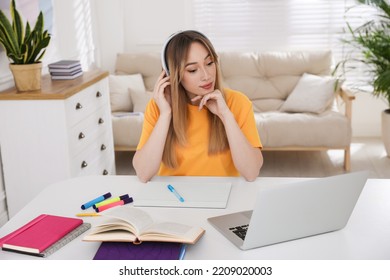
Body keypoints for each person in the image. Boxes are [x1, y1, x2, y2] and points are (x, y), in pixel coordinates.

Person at [133, 30, 263, 182]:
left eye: (209, 63)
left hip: (222, 195)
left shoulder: (238, 103)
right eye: (193, 70)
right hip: (175, 196)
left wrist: (225, 115)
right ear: (172, 75)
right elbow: (143, 173)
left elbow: (251, 172)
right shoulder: (158, 107)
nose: (206, 75)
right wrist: (165, 115)